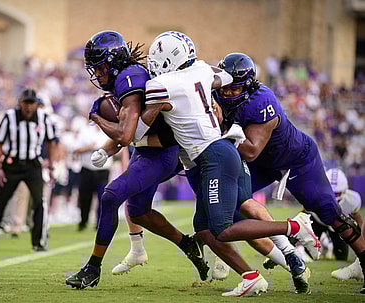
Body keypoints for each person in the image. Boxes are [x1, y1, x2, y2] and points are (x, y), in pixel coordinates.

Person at [134, 31, 319, 297]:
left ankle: (293, 227)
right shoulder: (200, 70)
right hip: (225, 151)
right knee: (207, 227)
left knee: (223, 228)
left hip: (213, 157)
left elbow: (139, 133)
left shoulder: (163, 85)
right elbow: (226, 77)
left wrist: (124, 132)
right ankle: (254, 275)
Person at [65, 30, 208, 290]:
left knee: (110, 196)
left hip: (161, 153)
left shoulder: (130, 79)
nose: (97, 74)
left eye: (100, 67)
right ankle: (188, 244)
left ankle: (92, 268)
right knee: (139, 212)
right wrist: (108, 147)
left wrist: (97, 116)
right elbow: (131, 134)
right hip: (147, 151)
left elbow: (127, 133)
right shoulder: (127, 76)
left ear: (114, 61)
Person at [212, 52, 365, 294]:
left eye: (235, 88)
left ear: (248, 85)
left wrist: (220, 127)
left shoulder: (262, 101)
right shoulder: (216, 93)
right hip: (263, 164)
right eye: (226, 87)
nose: (228, 93)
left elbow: (251, 150)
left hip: (296, 160)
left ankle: (363, 262)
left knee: (329, 213)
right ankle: (286, 255)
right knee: (230, 204)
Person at [0, 88, 57, 251]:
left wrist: (52, 164)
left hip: (33, 164)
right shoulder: (9, 117)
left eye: (32, 103)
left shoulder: (43, 118)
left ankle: (38, 242)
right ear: (20, 103)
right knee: (0, 202)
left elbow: (51, 141)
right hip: (12, 165)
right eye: (26, 102)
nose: (28, 107)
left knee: (39, 202)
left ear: (36, 105)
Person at [318, 168, 363, 280]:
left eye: (336, 193)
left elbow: (359, 221)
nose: (333, 197)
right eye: (331, 192)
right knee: (308, 253)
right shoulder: (316, 195)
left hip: (339, 226)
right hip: (318, 222)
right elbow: (303, 216)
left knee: (341, 255)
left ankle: (327, 245)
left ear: (344, 190)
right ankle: (322, 243)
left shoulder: (352, 199)